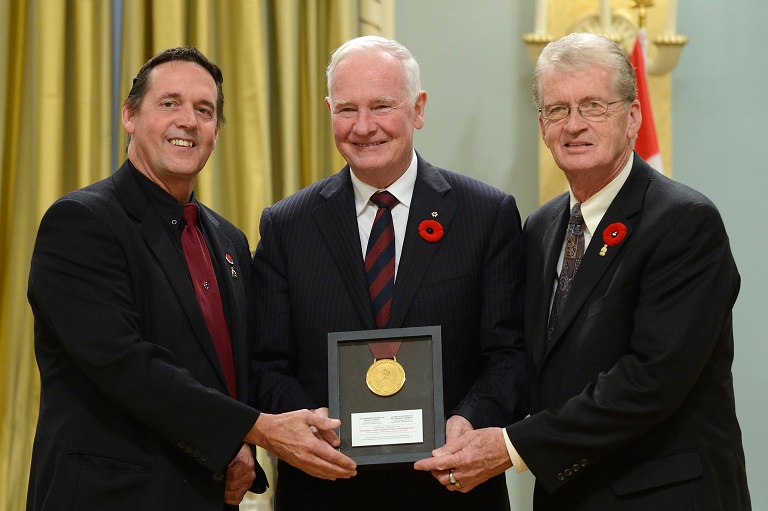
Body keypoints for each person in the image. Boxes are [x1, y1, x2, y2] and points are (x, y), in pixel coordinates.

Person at [415, 32, 751, 510]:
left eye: (594, 105)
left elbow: (649, 381)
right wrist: (467, 416)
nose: (573, 125)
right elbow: (524, 360)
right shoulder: (541, 228)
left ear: (633, 116)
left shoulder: (684, 222)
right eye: (558, 109)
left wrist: (511, 447)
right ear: (542, 125)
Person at [26, 46, 356, 511]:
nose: (188, 120)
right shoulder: (82, 223)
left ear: (216, 133)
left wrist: (240, 445)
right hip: (109, 496)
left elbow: (237, 370)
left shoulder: (230, 240)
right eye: (169, 103)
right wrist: (256, 428)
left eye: (204, 110)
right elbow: (128, 367)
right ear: (129, 116)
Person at [250, 35, 527, 510]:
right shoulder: (286, 225)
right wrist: (307, 419)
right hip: (326, 491)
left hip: (450, 491)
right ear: (328, 110)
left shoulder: (486, 215)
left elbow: (511, 352)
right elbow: (263, 360)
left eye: (382, 106)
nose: (363, 127)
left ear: (418, 109)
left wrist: (470, 419)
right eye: (346, 109)